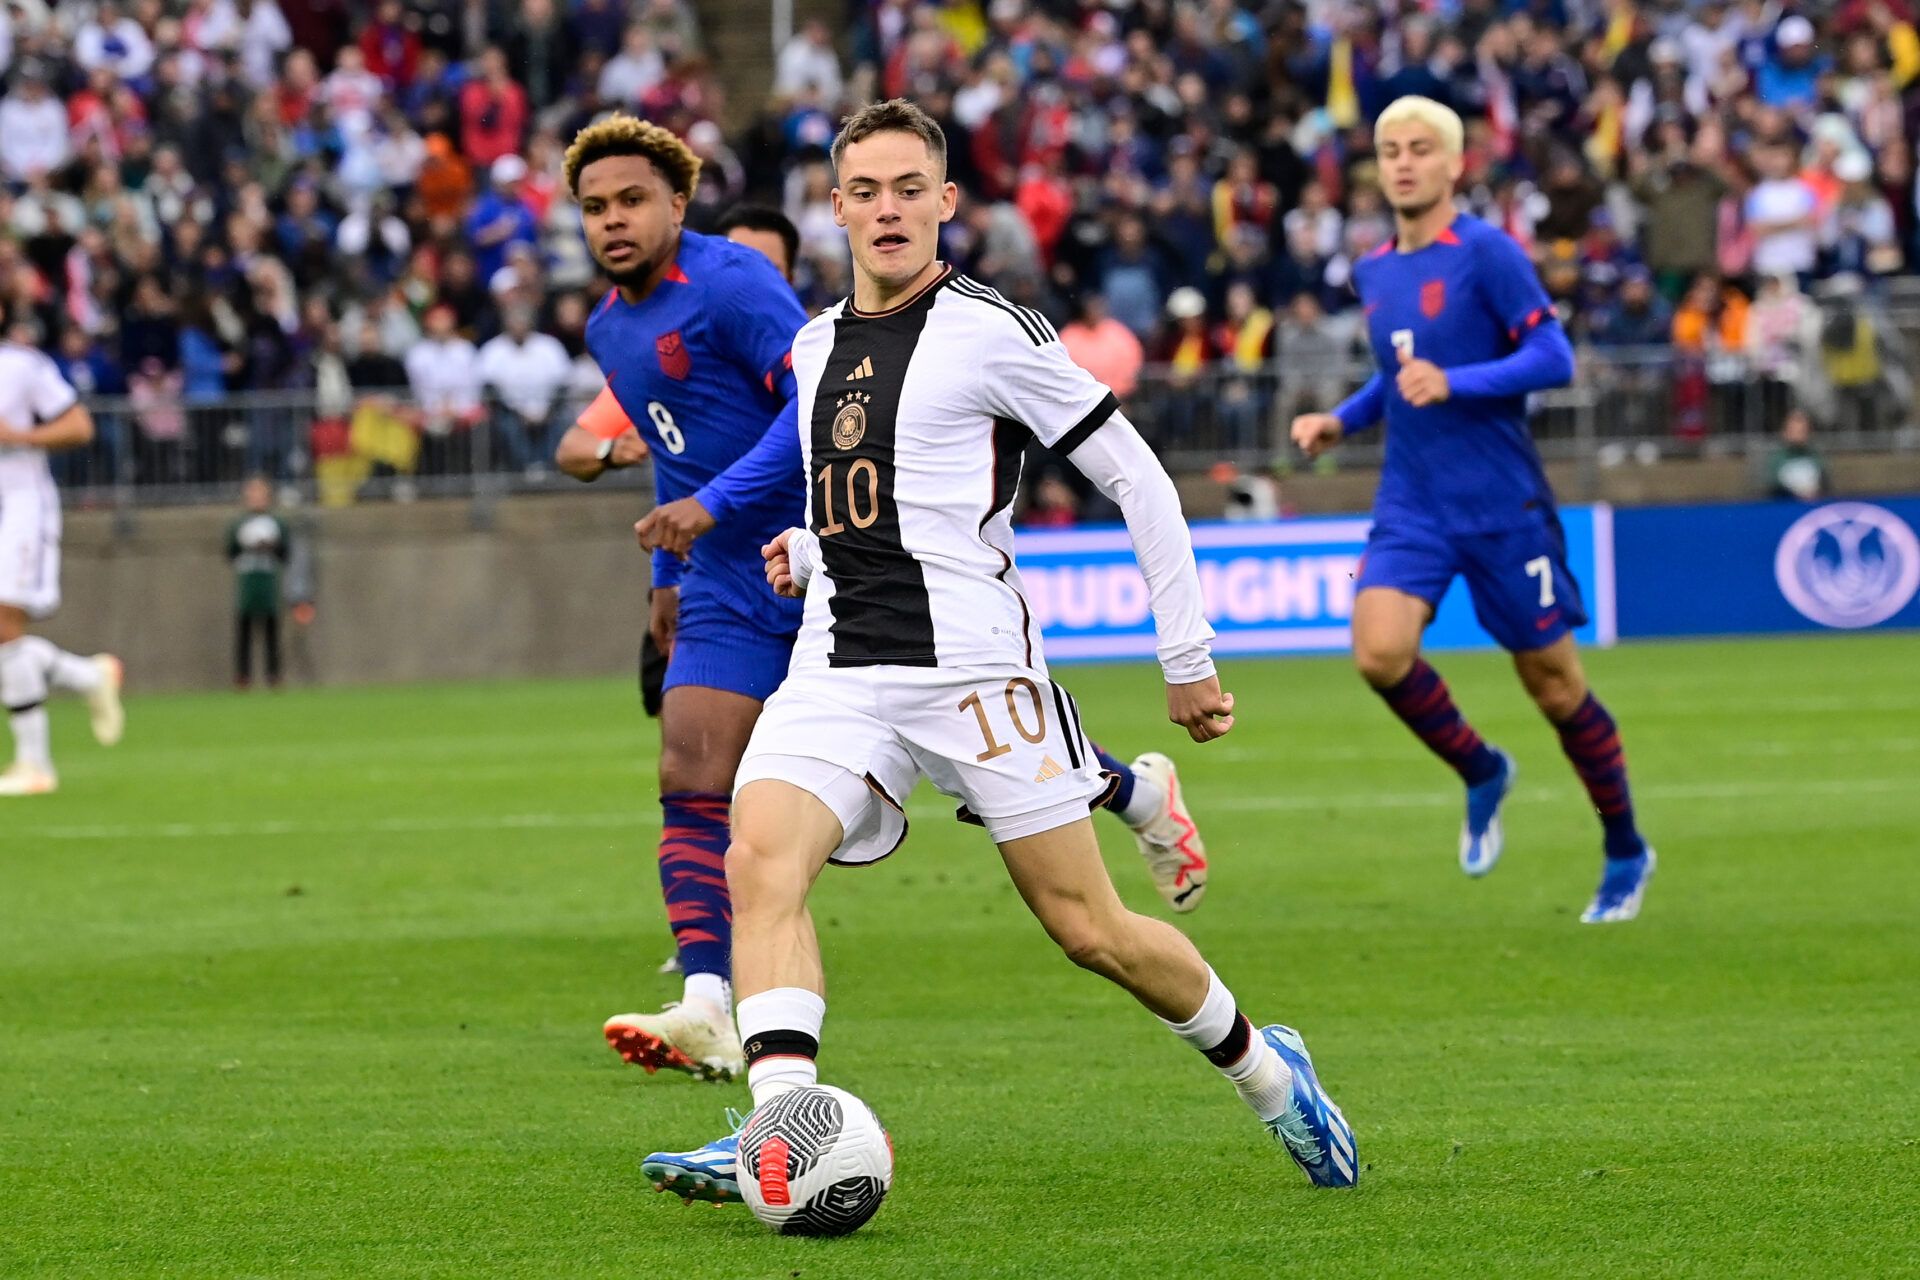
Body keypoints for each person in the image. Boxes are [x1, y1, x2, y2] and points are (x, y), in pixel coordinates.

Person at [641, 99, 1355, 1207]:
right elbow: (872, 503)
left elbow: (1138, 477)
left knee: (1091, 929)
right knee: (759, 863)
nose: (886, 208)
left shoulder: (994, 330)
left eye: (907, 188)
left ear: (945, 203)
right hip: (838, 668)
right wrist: (806, 548)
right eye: (864, 190)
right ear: (835, 208)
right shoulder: (817, 342)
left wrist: (1187, 652)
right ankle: (780, 1132)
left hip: (977, 675)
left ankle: (1272, 1073)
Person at [1291, 97, 1656, 925]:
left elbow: (1552, 356)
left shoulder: (1488, 253)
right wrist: (1339, 420)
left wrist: (1459, 383)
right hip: (1413, 500)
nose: (1404, 163)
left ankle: (1626, 847)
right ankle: (1482, 768)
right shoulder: (1375, 269)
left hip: (1501, 504)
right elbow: (1400, 372)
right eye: (1390, 151)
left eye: (1422, 149)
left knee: (1557, 689)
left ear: (1456, 165)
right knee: (1379, 655)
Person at [550, 117, 811, 1083]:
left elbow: (814, 407)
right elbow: (675, 451)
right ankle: (708, 1002)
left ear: (676, 201)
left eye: (630, 201)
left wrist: (715, 504)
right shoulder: (609, 328)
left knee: (975, 770)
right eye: (593, 208)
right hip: (724, 583)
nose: (612, 221)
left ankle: (1130, 788)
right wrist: (668, 577)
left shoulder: (735, 285)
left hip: (826, 559)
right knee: (690, 771)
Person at [0, 333, 125, 797]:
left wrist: (18, 436)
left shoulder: (21, 366)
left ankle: (35, 764)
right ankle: (89, 676)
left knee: (4, 624)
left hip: (20, 505)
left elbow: (78, 426)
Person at [227, 476, 291, 689]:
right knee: (244, 630)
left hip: (268, 582)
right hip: (247, 582)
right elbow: (230, 552)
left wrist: (271, 546)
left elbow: (285, 553)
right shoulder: (239, 523)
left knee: (271, 630)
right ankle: (242, 675)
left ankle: (274, 675)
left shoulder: (277, 522)